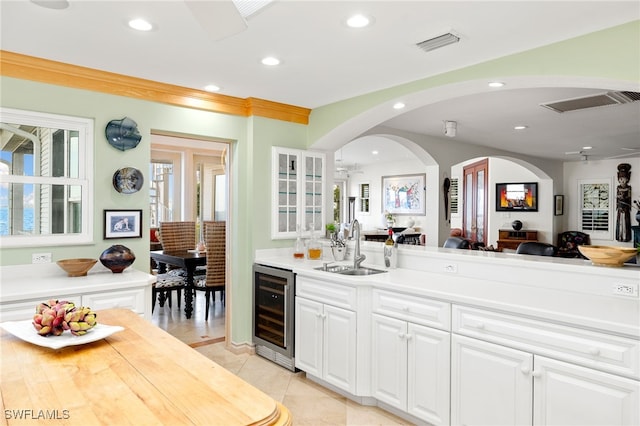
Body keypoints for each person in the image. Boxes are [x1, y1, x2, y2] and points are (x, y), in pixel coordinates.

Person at [615, 163, 632, 242]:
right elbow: (617, 199)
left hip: (625, 208)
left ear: (627, 179)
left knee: (625, 223)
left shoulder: (629, 188)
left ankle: (626, 237)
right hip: (620, 208)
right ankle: (619, 236)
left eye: (624, 179)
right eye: (620, 179)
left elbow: (629, 198)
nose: (622, 181)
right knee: (620, 223)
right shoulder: (618, 188)